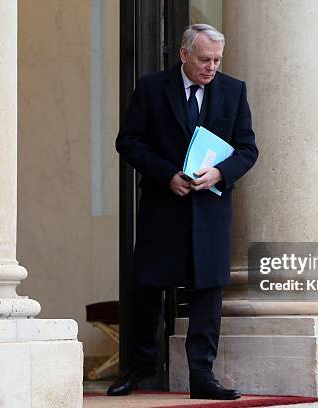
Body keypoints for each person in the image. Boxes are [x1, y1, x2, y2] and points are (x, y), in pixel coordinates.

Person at [110, 23, 258, 400]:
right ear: (184, 55)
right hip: (164, 204)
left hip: (210, 208)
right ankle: (139, 368)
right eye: (205, 59)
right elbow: (128, 141)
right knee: (147, 288)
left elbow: (247, 149)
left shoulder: (233, 90)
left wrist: (220, 173)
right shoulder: (150, 88)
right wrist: (165, 175)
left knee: (208, 291)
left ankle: (202, 375)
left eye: (217, 60)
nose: (211, 67)